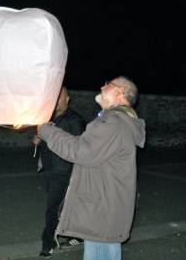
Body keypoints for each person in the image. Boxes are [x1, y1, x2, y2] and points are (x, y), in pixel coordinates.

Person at [37, 76, 146, 260]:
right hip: (107, 204)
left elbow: (81, 151)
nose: (102, 86)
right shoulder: (119, 121)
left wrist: (45, 129)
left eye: (108, 84)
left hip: (101, 208)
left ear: (120, 92)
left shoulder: (114, 123)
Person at [33, 87, 86, 257]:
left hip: (65, 170)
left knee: (52, 208)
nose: (56, 102)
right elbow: (46, 138)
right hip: (50, 168)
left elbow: (79, 148)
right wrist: (39, 139)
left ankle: (47, 243)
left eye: (60, 98)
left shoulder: (75, 120)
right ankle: (78, 234)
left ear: (67, 99)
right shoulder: (48, 116)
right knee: (66, 206)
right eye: (53, 98)